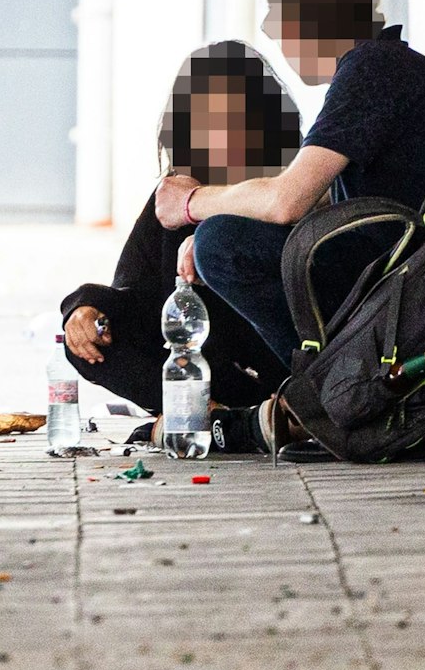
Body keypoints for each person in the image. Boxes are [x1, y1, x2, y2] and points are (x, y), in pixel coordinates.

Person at [152, 0, 425, 445]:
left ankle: (329, 407)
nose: (271, 30)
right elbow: (315, 204)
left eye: (276, 12)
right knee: (223, 240)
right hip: (419, 289)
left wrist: (191, 203)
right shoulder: (376, 69)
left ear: (312, 14)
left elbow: (287, 199)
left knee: (223, 245)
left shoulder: (374, 69)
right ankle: (315, 402)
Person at [58, 40, 301, 448]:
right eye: (207, 118)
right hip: (206, 375)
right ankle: (218, 421)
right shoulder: (178, 196)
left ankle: (218, 423)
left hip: (278, 365)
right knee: (90, 338)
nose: (222, 132)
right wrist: (81, 309)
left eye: (237, 116)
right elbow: (133, 294)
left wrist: (211, 240)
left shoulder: (291, 185)